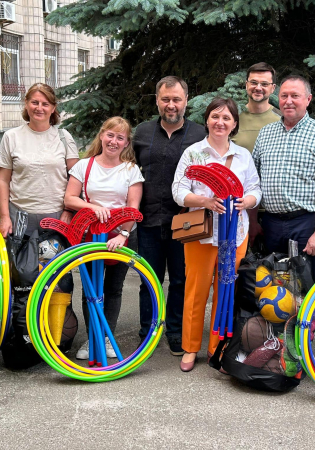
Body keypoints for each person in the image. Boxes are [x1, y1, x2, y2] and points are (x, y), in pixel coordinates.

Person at [172, 97, 261, 372]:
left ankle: (217, 349)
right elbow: (178, 191)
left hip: (235, 234)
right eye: (215, 116)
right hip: (201, 234)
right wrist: (206, 202)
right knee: (195, 292)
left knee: (226, 292)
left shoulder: (243, 155)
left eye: (226, 118)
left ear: (234, 124)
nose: (220, 122)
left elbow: (256, 190)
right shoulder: (193, 153)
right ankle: (190, 348)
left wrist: (247, 201)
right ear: (207, 120)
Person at [133, 76, 206, 356]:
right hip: (148, 219)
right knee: (148, 280)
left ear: (186, 101)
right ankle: (148, 332)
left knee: (180, 280)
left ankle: (175, 332)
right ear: (157, 100)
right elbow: (128, 171)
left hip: (185, 221)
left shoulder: (199, 134)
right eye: (166, 99)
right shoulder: (141, 132)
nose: (171, 105)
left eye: (176, 99)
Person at [64, 116, 144, 360]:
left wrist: (122, 234)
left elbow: (133, 207)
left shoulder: (131, 170)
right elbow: (69, 199)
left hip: (120, 235)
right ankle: (92, 338)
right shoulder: (84, 165)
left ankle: (106, 335)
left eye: (120, 137)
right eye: (110, 135)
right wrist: (91, 207)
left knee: (113, 288)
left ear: (126, 142)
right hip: (89, 234)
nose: (114, 141)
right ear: (101, 136)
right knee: (91, 287)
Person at [252, 75, 315, 280]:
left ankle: (308, 314)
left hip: (305, 224)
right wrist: (253, 221)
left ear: (308, 99)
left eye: (295, 96)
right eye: (284, 96)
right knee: (271, 288)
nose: (288, 101)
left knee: (305, 286)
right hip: (270, 224)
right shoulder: (266, 133)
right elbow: (253, 181)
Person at [0, 83, 79, 238]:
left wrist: (69, 210)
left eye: (45, 104)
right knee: (21, 262)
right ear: (26, 104)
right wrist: (5, 216)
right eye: (34, 102)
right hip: (20, 215)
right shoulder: (11, 136)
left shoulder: (64, 137)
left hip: (58, 216)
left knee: (58, 262)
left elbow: (76, 178)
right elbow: (2, 179)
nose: (39, 108)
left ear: (53, 108)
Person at [232, 62, 281, 252]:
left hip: (272, 210)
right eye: (253, 82)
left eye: (264, 83)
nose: (258, 88)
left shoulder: (281, 119)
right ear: (246, 85)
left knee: (269, 272)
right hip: (238, 206)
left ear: (272, 88)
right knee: (238, 268)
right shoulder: (233, 118)